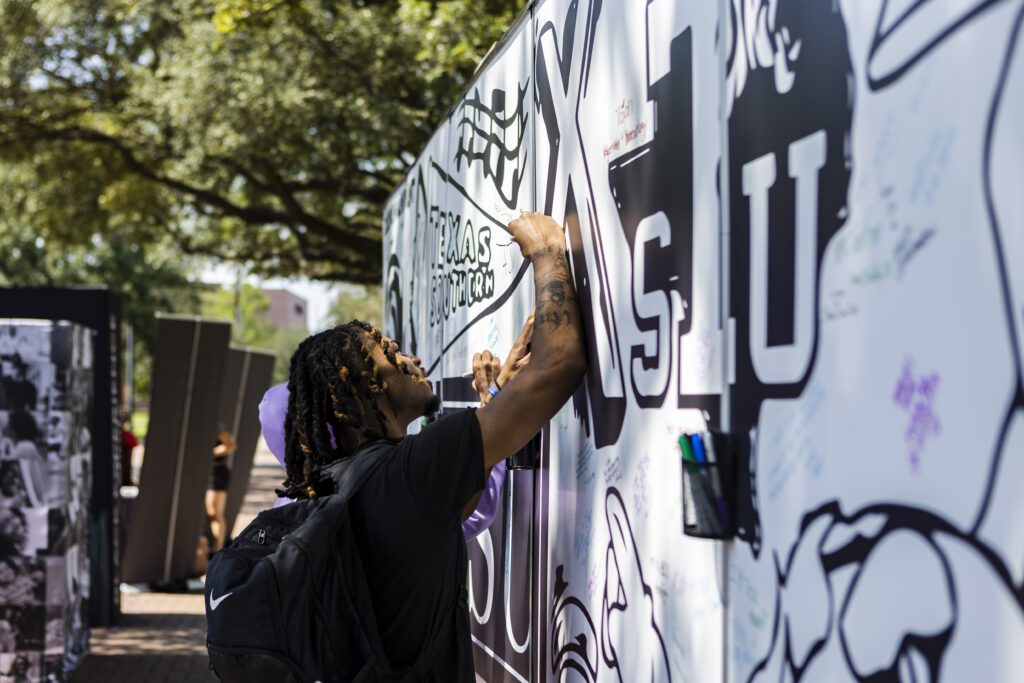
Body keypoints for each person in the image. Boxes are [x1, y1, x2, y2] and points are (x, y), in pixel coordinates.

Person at [272, 212, 584, 679]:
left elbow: (463, 499)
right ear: (362, 388)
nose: (412, 358)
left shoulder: (345, 484)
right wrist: (547, 252)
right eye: (392, 355)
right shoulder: (406, 473)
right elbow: (559, 363)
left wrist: (496, 397)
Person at [205, 427, 236, 553]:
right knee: (211, 513)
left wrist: (210, 453)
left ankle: (218, 548)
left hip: (217, 472)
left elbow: (231, 446)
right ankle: (216, 547)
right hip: (210, 472)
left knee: (215, 513)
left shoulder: (218, 427)